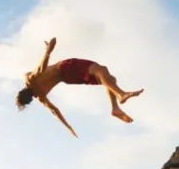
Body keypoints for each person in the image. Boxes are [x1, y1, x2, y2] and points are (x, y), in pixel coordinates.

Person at [15, 37, 144, 138]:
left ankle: (115, 108)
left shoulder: (40, 96)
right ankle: (121, 95)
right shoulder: (29, 78)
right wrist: (47, 51)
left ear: (30, 99)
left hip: (68, 79)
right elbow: (40, 69)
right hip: (66, 67)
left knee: (108, 78)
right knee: (100, 70)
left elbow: (55, 111)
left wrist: (69, 127)